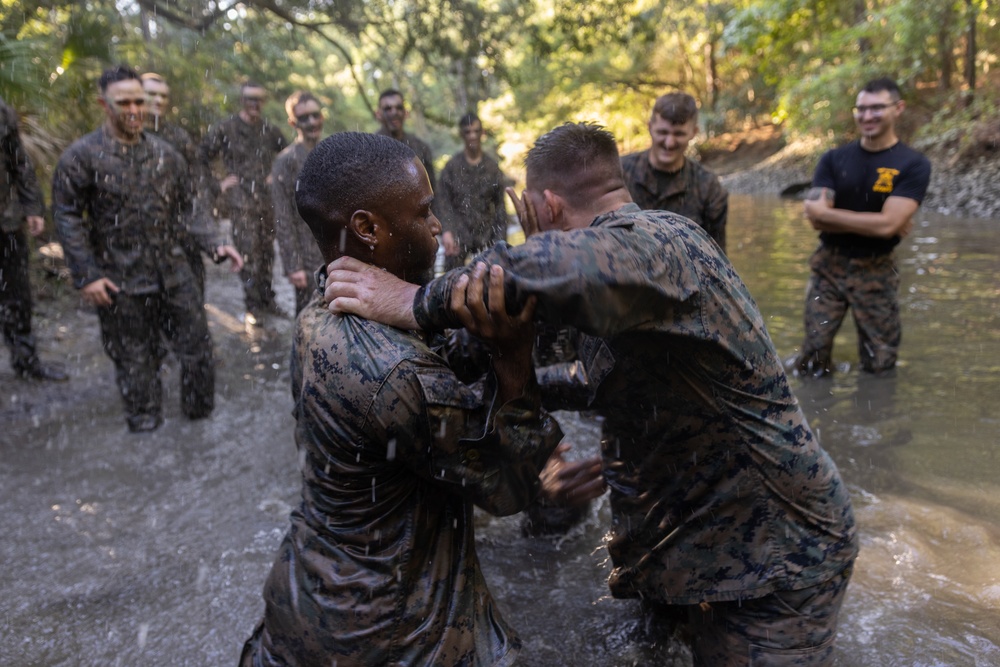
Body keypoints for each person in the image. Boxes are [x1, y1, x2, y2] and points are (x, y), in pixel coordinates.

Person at [323, 122, 858, 666]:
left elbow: (547, 267)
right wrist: (504, 382)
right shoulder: (616, 282)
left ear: (545, 204)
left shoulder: (666, 241)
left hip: (779, 560)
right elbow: (594, 376)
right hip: (685, 545)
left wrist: (412, 300)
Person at [239, 131, 563, 667]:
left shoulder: (326, 305)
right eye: (425, 211)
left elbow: (445, 348)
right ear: (368, 228)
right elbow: (510, 489)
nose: (438, 225)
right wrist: (514, 361)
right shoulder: (396, 374)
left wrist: (531, 268)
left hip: (311, 602)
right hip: (390, 634)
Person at [52, 65, 243, 432]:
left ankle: (199, 432)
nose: (135, 109)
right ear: (104, 104)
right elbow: (67, 216)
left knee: (199, 354)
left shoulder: (166, 155)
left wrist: (217, 244)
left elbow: (189, 209)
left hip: (173, 272)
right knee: (135, 362)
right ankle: (146, 432)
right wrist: (86, 274)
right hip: (118, 282)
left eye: (139, 101)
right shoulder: (82, 157)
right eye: (124, 102)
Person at [792, 77, 931, 378]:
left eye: (877, 108)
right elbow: (816, 218)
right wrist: (881, 222)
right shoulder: (834, 159)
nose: (867, 116)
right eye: (861, 109)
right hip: (828, 266)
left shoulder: (913, 164)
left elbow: (886, 226)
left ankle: (877, 420)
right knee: (813, 356)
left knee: (880, 363)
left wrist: (882, 224)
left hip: (877, 270)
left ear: (898, 108)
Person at [198, 80, 288, 323]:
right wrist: (219, 183)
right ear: (242, 100)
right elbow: (201, 156)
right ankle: (253, 307)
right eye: (250, 98)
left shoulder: (269, 129)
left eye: (259, 99)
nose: (254, 104)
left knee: (267, 253)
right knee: (248, 254)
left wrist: (276, 174)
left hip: (266, 202)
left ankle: (269, 301)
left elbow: (287, 153)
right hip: (241, 204)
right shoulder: (226, 129)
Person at [0, 96, 68, 381]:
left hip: (5, 221)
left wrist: (32, 206)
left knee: (16, 297)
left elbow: (19, 162)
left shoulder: (2, 111)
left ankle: (27, 363)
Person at [621, 91, 728, 251]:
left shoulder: (709, 188)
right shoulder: (618, 174)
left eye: (679, 134)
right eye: (662, 132)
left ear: (693, 133)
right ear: (650, 128)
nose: (669, 143)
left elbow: (717, 256)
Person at [141, 72, 213, 295]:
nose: (159, 101)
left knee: (190, 306)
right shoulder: (125, 137)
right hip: (138, 244)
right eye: (151, 94)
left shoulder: (179, 138)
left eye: (163, 96)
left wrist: (209, 235)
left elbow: (198, 185)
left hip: (181, 238)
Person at [270, 90, 326, 315]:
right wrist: (293, 265)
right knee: (309, 318)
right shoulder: (285, 162)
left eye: (315, 115)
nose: (312, 122)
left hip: (336, 253)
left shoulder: (333, 151)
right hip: (306, 256)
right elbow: (282, 217)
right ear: (293, 122)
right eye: (304, 117)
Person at [436, 112, 509, 271]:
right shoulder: (452, 168)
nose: (472, 136)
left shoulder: (492, 168)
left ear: (482, 133)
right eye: (468, 132)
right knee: (450, 276)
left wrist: (500, 243)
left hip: (486, 232)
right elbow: (443, 202)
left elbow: (500, 208)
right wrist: (447, 231)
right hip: (459, 232)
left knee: (497, 272)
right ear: (462, 134)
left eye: (476, 131)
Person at [374, 88, 435, 188]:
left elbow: (431, 190)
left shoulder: (421, 148)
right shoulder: (370, 149)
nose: (394, 113)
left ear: (406, 113)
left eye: (399, 108)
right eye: (388, 109)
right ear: (378, 114)